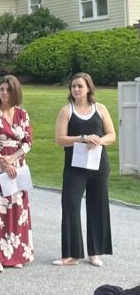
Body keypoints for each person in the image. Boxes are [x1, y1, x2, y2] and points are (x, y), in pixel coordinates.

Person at [53, 72, 116, 267]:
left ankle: (95, 252)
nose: (76, 89)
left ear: (89, 87)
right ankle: (71, 255)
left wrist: (98, 140)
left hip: (99, 165)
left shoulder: (101, 109)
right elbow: (59, 140)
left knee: (97, 205)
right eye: (73, 86)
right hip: (75, 167)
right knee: (71, 205)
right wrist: (82, 138)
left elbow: (112, 135)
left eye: (80, 86)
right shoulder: (67, 111)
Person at [0, 75, 34, 272]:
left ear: (15, 92)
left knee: (17, 208)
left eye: (8, 90)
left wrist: (14, 159)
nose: (4, 93)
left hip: (17, 164)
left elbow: (28, 141)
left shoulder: (22, 114)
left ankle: (15, 253)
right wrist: (3, 161)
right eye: (1, 89)